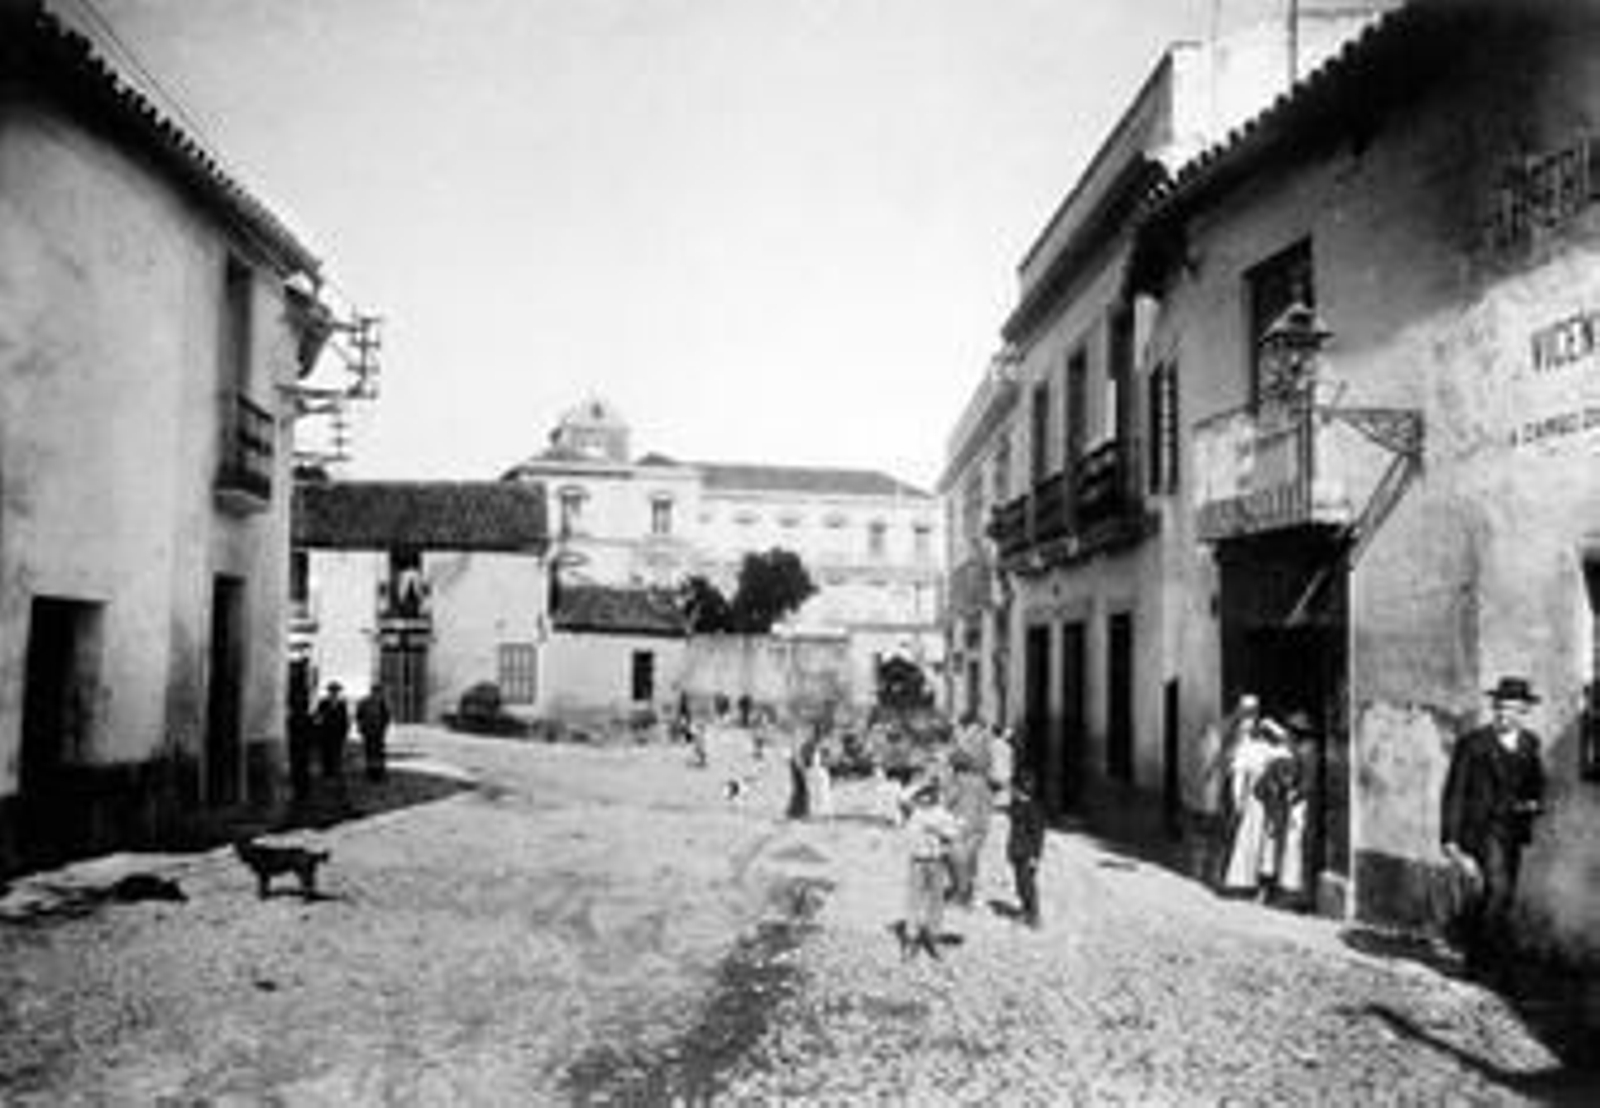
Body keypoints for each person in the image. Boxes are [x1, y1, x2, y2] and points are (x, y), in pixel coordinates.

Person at [1441, 676, 1547, 978]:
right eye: (1499, 708)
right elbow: (1455, 792)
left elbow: (1536, 782)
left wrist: (1533, 802)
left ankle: (1475, 955)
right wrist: (1450, 838)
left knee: (1500, 895)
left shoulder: (1530, 743)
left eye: (1512, 709)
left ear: (1524, 711)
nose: (1504, 715)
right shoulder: (1473, 744)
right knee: (1499, 891)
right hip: (1481, 830)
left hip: (1512, 830)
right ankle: (1498, 965)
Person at [1219, 693, 1293, 898]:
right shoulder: (1247, 746)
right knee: (1248, 840)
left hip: (1264, 801)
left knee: (1262, 842)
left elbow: (1286, 752)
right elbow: (1237, 776)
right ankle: (1242, 882)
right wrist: (1236, 802)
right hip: (1252, 801)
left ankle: (1257, 883)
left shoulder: (1268, 749)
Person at [899, 775, 961, 960]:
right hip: (917, 861)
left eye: (930, 795)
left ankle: (934, 939)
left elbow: (954, 834)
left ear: (935, 796)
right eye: (922, 796)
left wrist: (939, 830)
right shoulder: (913, 812)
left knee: (936, 902)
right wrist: (922, 782)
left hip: (936, 861)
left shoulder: (942, 813)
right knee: (914, 901)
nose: (925, 799)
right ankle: (911, 940)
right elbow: (902, 798)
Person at [946, 746, 995, 908]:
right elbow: (988, 805)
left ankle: (961, 895)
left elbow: (948, 802)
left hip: (959, 828)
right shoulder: (980, 782)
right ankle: (971, 894)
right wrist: (984, 827)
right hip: (978, 828)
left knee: (957, 863)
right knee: (971, 863)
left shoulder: (956, 782)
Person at [1007, 769, 1046, 928]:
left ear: (1019, 788)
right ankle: (1025, 910)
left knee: (1028, 885)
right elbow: (1014, 830)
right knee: (1020, 884)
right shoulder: (1017, 805)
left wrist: (1035, 856)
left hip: (1027, 853)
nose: (1011, 791)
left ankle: (1034, 915)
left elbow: (1038, 836)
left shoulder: (1034, 809)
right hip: (1017, 851)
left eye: (1013, 788)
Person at [312, 682, 350, 793]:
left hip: (337, 734)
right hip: (326, 733)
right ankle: (327, 775)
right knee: (326, 755)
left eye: (336, 691)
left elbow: (344, 720)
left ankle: (335, 775)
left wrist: (344, 732)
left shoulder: (342, 704)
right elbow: (317, 716)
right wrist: (318, 730)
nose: (334, 693)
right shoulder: (323, 703)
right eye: (332, 691)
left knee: (336, 754)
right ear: (329, 692)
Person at [356, 684, 391, 783]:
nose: (378, 694)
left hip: (379, 732)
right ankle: (370, 773)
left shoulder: (382, 703)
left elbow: (387, 716)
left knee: (379, 753)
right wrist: (362, 728)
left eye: (379, 692)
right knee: (370, 752)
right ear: (372, 692)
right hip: (368, 732)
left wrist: (383, 728)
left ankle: (379, 773)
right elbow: (359, 716)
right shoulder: (364, 702)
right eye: (376, 692)